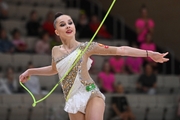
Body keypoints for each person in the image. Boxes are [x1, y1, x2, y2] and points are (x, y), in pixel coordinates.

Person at [19, 12, 169, 120]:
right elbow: (54, 69)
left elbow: (122, 50)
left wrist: (149, 53)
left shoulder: (87, 47)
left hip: (91, 93)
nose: (68, 26)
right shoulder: (55, 50)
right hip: (72, 98)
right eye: (62, 24)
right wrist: (30, 71)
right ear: (57, 31)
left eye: (70, 22)